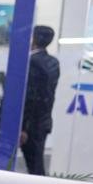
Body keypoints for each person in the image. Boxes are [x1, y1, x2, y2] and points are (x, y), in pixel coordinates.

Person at [22, 25, 60, 175]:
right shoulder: (53, 62)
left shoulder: (32, 62)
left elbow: (31, 97)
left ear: (34, 39)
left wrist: (23, 127)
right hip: (43, 122)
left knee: (35, 168)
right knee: (36, 164)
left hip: (30, 125)